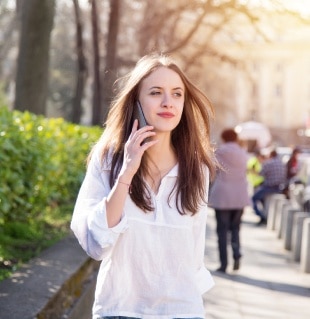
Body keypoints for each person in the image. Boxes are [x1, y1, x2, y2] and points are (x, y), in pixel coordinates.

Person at [71, 53, 216, 319]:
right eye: (155, 92)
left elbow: (195, 250)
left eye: (176, 94)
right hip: (119, 310)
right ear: (136, 101)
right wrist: (127, 172)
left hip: (182, 311)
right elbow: (97, 245)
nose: (167, 102)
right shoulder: (108, 161)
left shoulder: (197, 170)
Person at [208, 129, 250, 273]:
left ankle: (224, 264)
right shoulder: (243, 153)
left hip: (223, 195)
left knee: (222, 231)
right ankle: (237, 255)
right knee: (236, 228)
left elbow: (212, 170)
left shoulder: (219, 152)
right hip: (239, 195)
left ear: (223, 138)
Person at [251, 149, 286, 225]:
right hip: (279, 187)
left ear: (270, 155)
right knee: (261, 198)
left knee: (253, 199)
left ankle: (261, 216)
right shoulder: (281, 163)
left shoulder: (268, 163)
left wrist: (254, 170)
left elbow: (260, 174)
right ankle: (264, 214)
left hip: (269, 187)